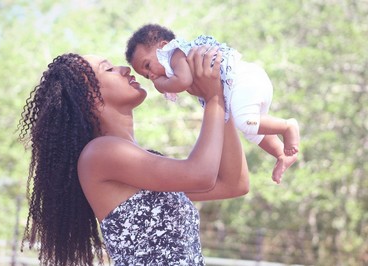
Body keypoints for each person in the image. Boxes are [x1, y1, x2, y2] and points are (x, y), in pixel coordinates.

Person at [18, 46, 249, 266]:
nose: (125, 69)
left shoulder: (140, 163)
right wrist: (213, 98)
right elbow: (200, 175)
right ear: (88, 98)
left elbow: (233, 184)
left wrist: (220, 97)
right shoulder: (100, 154)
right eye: (108, 69)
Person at [125, 24, 300, 184]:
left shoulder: (174, 54)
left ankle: (287, 126)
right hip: (243, 88)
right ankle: (281, 154)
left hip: (243, 80)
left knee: (245, 121)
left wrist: (161, 86)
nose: (151, 76)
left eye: (147, 66)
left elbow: (183, 81)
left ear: (163, 46)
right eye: (146, 77)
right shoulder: (175, 62)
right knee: (252, 130)